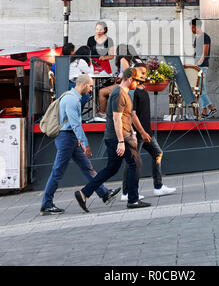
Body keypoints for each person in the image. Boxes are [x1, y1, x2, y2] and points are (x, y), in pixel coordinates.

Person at [40, 74, 120, 215]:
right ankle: (46, 204)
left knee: (86, 167)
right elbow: (75, 124)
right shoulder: (71, 100)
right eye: (90, 86)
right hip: (66, 138)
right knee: (58, 171)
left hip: (69, 137)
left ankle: (104, 193)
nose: (91, 90)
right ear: (83, 84)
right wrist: (85, 144)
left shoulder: (72, 97)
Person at [74, 67, 151, 212]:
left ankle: (84, 193)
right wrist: (121, 141)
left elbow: (128, 116)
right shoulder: (119, 94)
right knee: (135, 164)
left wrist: (137, 132)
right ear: (130, 79)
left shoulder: (124, 93)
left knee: (112, 168)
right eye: (137, 81)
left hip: (119, 136)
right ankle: (133, 200)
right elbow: (117, 118)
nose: (138, 85)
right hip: (119, 137)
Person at [121, 62, 176, 201]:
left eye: (145, 73)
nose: (143, 75)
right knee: (133, 162)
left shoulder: (143, 88)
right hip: (139, 134)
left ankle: (158, 187)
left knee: (157, 153)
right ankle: (126, 193)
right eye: (140, 73)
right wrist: (141, 132)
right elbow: (132, 115)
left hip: (146, 132)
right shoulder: (133, 92)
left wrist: (146, 132)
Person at [98, 44, 143, 118]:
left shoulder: (123, 60)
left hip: (127, 86)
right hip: (139, 86)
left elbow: (127, 75)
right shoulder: (138, 60)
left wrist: (119, 79)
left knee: (102, 92)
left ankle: (103, 115)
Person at [190, 18, 216, 118]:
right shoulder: (197, 37)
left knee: (200, 89)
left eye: (192, 27)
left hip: (202, 66)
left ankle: (211, 108)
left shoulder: (205, 37)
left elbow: (205, 53)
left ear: (196, 26)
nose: (191, 29)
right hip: (197, 66)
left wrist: (198, 64)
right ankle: (204, 111)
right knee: (200, 89)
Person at [69, 46, 94, 110]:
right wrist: (91, 64)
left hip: (69, 83)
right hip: (74, 84)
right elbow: (91, 73)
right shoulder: (81, 61)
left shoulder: (73, 60)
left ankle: (77, 112)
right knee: (86, 96)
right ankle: (76, 110)